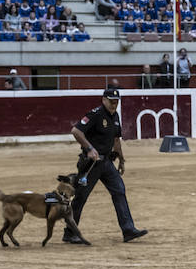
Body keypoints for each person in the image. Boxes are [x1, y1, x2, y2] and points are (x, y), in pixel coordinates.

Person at [63, 87, 147, 244]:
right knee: (80, 197)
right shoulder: (95, 114)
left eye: (116, 102)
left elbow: (116, 140)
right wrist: (89, 148)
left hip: (107, 163)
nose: (114, 105)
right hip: (91, 164)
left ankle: (128, 230)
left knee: (119, 191)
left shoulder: (115, 116)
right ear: (103, 100)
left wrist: (121, 160)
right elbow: (76, 131)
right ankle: (69, 232)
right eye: (111, 102)